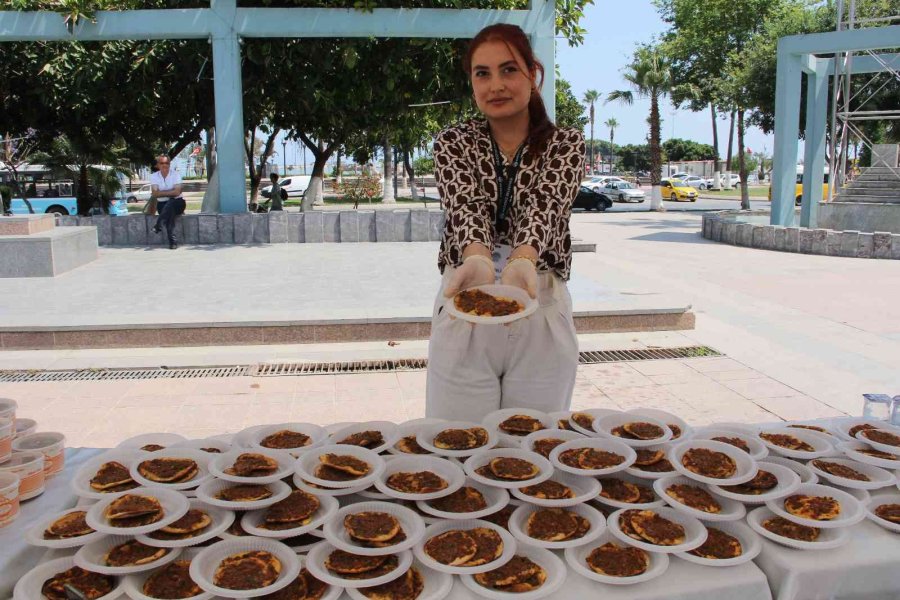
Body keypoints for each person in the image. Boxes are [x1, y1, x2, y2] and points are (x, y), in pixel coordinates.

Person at [425, 24, 585, 421]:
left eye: (508, 69)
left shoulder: (566, 144)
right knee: (456, 444)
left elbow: (546, 206)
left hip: (540, 305)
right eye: (483, 73)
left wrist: (522, 260)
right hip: (466, 307)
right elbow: (466, 206)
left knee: (534, 448)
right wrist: (477, 258)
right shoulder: (453, 142)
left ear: (533, 74)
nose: (495, 84)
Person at [150, 155, 186, 249]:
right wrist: (171, 193)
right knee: (169, 212)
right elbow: (155, 194)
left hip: (178, 203)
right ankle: (172, 242)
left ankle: (159, 224)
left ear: (169, 164)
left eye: (167, 163)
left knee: (171, 203)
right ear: (158, 165)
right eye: (162, 163)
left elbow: (177, 192)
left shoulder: (175, 175)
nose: (164, 165)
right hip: (162, 204)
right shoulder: (154, 176)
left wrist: (162, 193)